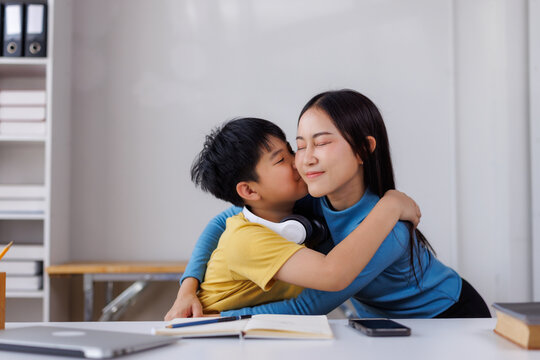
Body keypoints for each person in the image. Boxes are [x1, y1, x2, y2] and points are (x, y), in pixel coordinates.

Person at [167, 90, 490, 320]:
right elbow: (221, 222)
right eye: (299, 145)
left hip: (447, 318)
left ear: (363, 150)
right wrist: (188, 288)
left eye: (321, 143)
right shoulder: (306, 197)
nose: (304, 159)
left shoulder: (388, 231)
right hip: (383, 323)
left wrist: (218, 318)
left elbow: (308, 306)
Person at [165, 117, 420, 316]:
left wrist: (188, 287)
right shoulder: (247, 240)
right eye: (280, 160)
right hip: (212, 332)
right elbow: (331, 276)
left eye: (291, 150)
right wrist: (391, 206)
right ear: (250, 191)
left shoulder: (288, 204)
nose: (299, 161)